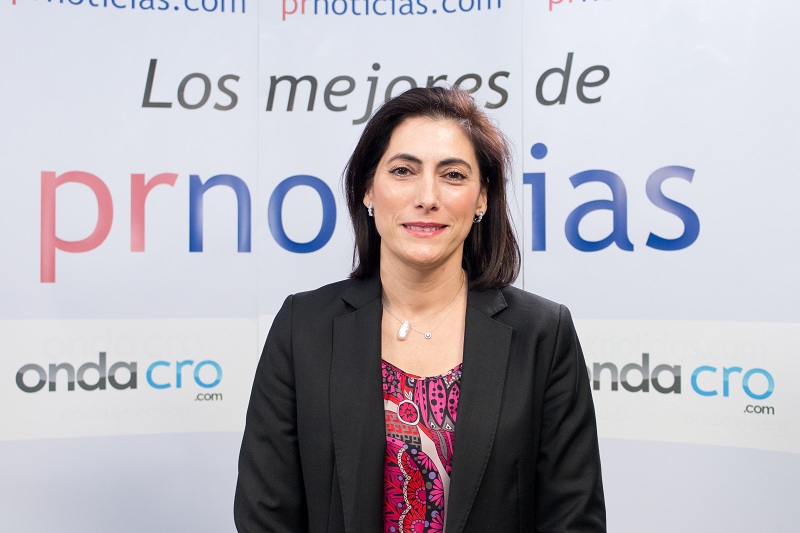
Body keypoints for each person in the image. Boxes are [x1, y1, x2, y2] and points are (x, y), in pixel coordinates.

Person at [234, 86, 606, 532]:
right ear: (368, 189)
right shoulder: (304, 328)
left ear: (482, 198)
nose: (427, 196)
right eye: (403, 171)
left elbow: (572, 518)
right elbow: (266, 516)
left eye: (453, 175)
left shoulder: (543, 333)